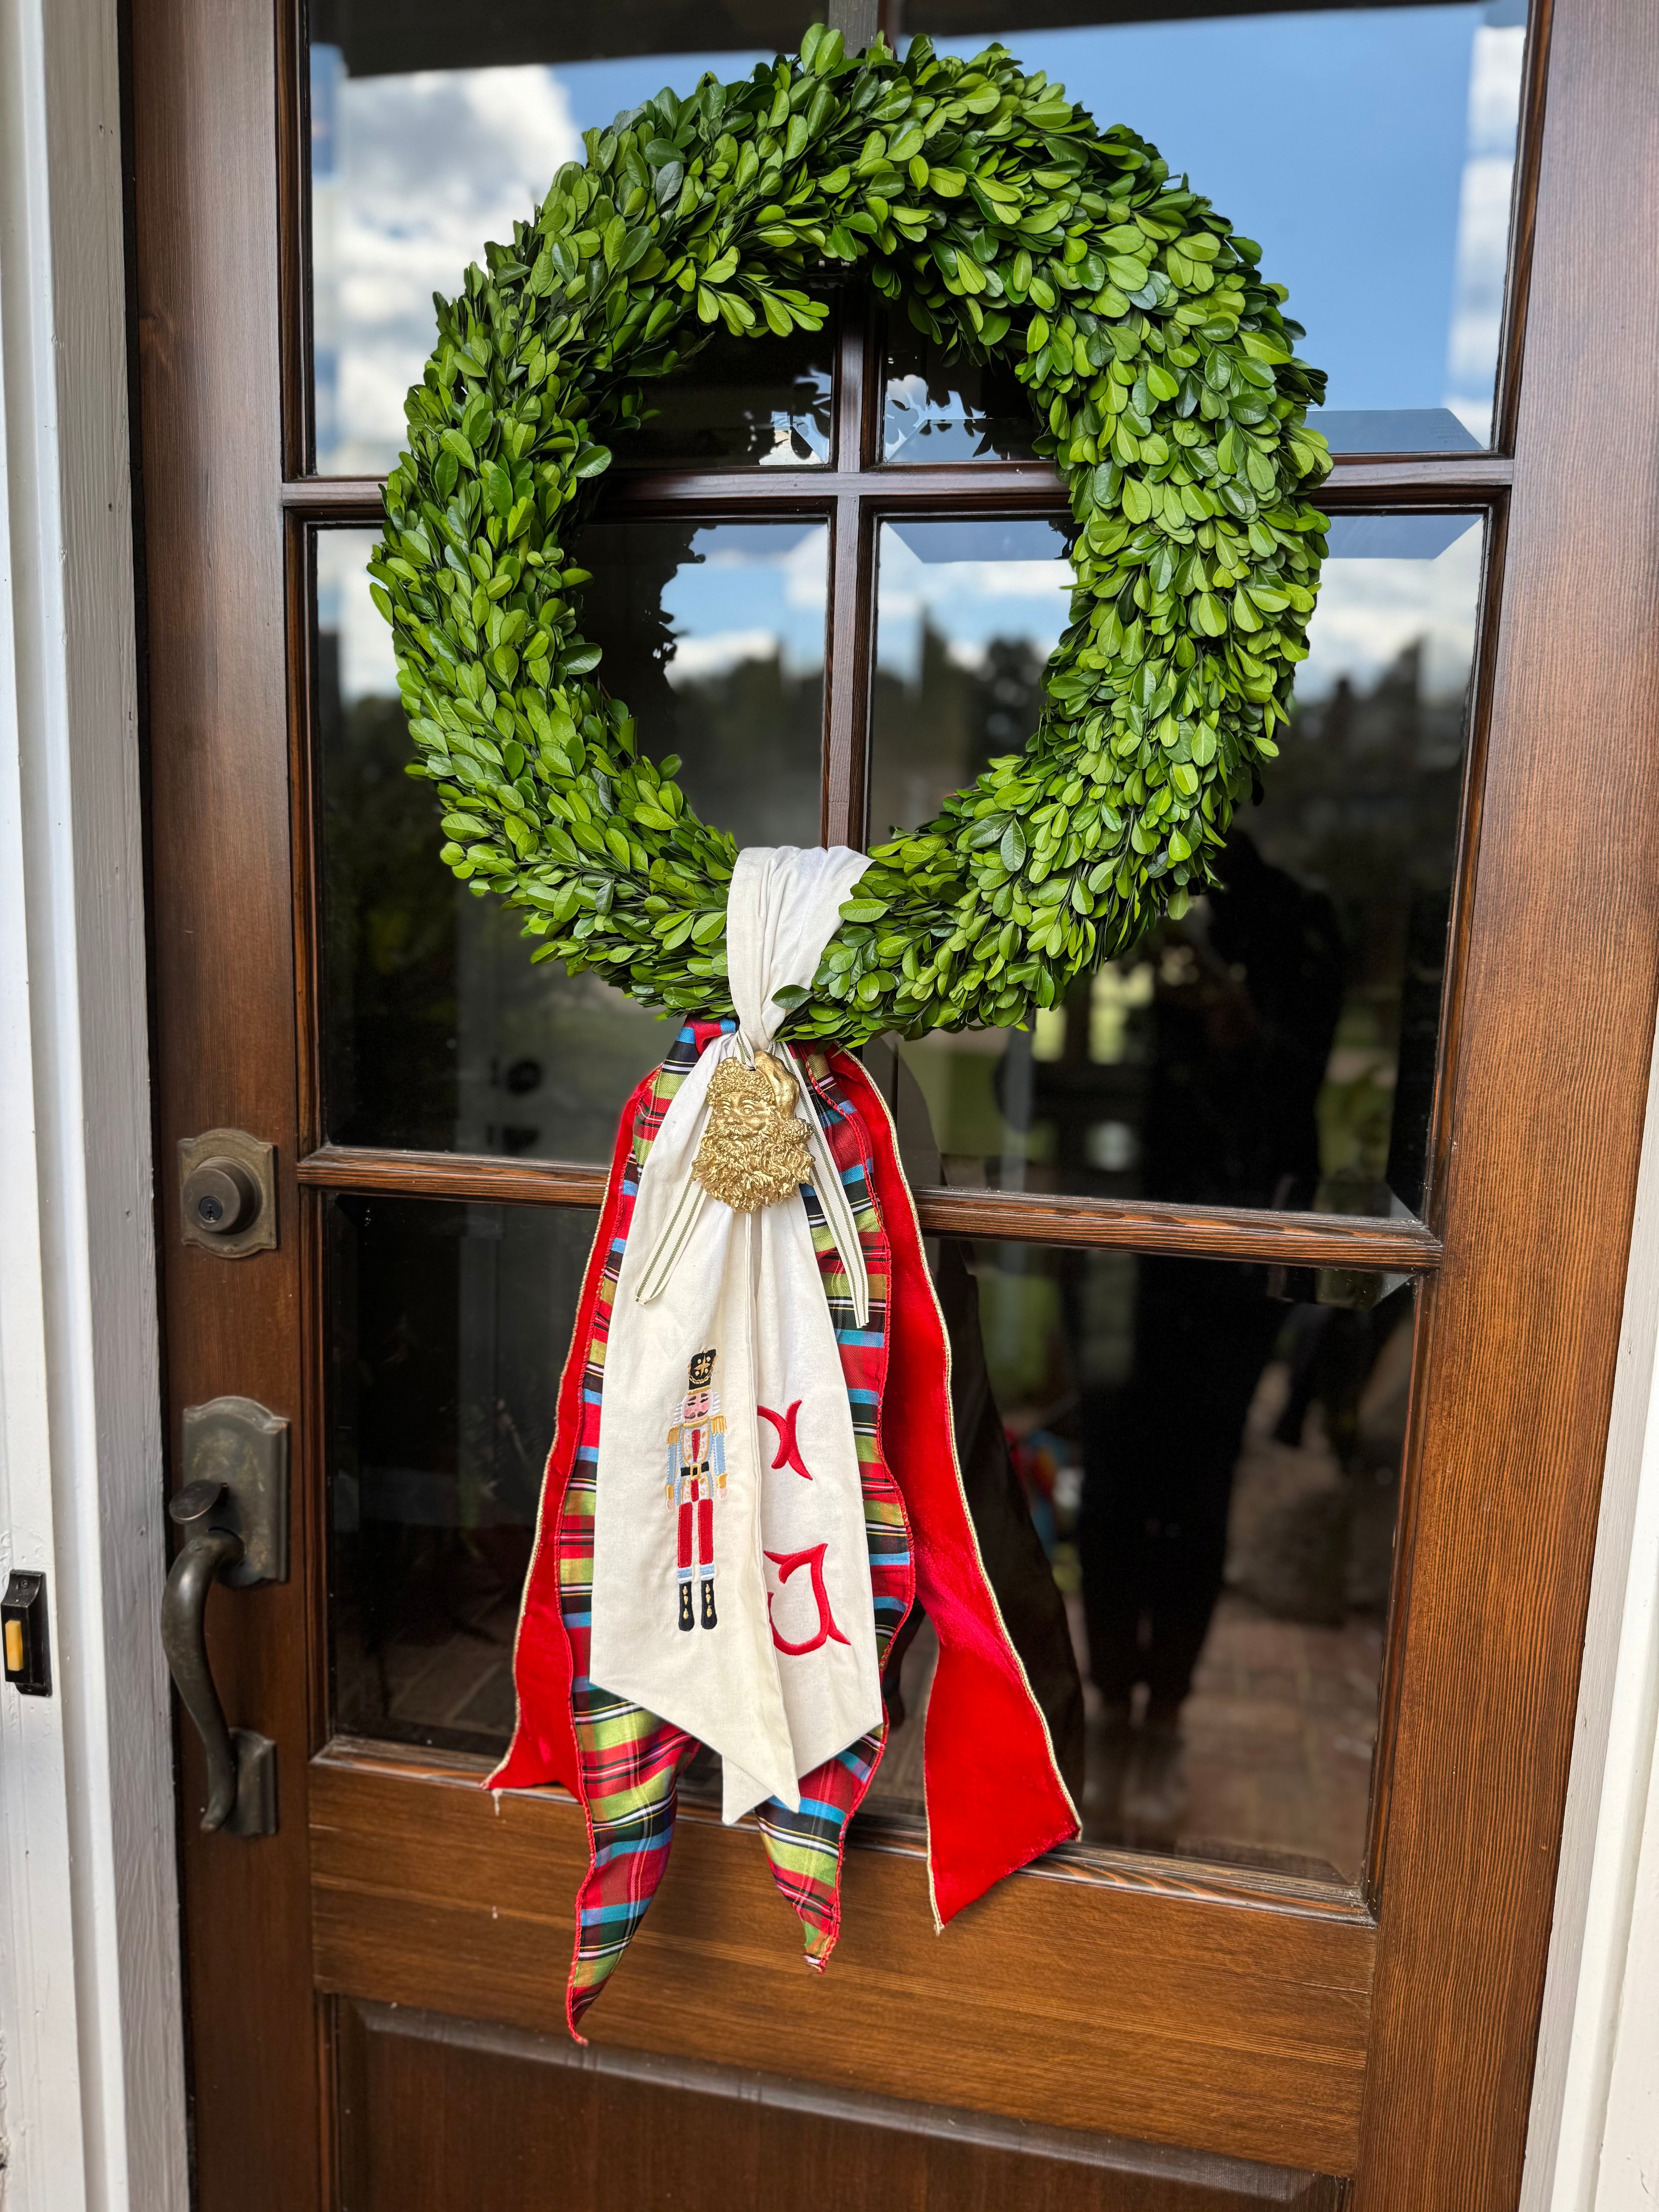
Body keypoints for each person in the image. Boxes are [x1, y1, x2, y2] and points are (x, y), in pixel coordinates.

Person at [1077, 831, 1345, 1839]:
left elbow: (1298, 1099)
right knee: (1108, 1481)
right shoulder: (1110, 892)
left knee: (1197, 1487)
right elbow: (1060, 1065)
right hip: (1105, 1240)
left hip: (1230, 1254)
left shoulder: (1296, 919)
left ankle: (1164, 1717)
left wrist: (1235, 1017)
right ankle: (1110, 1709)